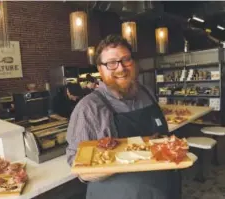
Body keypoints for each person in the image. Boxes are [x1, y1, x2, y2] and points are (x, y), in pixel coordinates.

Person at [66, 35, 181, 199]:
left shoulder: (147, 92)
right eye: (111, 63)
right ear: (100, 69)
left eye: (126, 60)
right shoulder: (89, 108)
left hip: (164, 188)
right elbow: (80, 168)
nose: (121, 68)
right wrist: (120, 163)